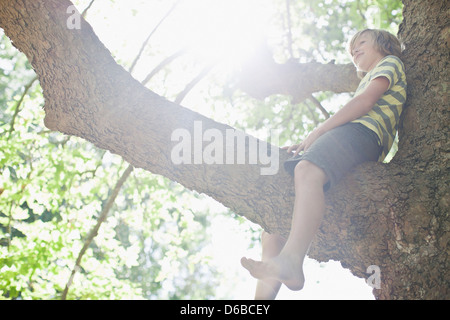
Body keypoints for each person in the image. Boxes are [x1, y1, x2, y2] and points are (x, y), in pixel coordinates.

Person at [240, 29, 407, 299]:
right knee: (273, 225)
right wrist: (309, 144)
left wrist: (317, 133)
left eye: (361, 43)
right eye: (351, 50)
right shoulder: (371, 74)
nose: (354, 51)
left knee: (307, 170)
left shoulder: (390, 62)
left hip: (365, 134)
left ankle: (292, 261)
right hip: (349, 137)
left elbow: (364, 103)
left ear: (383, 44)